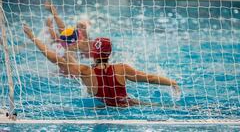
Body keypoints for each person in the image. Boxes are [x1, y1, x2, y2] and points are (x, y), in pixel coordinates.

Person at [23, 24, 180, 107]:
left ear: (93, 53)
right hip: (128, 105)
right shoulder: (122, 68)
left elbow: (53, 58)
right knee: (152, 105)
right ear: (109, 53)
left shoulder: (85, 71)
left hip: (100, 108)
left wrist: (32, 37)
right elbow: (149, 78)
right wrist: (171, 82)